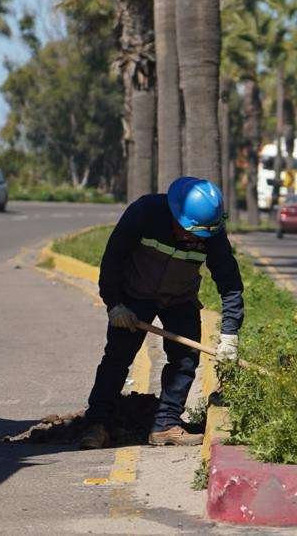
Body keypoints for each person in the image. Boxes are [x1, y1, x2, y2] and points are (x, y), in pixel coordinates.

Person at [79, 177, 244, 449]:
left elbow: (230, 283)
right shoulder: (145, 213)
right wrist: (115, 304)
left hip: (180, 298)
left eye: (199, 235)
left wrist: (230, 334)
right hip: (134, 296)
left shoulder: (211, 232)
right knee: (117, 359)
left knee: (185, 361)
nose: (192, 239)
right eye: (189, 231)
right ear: (175, 213)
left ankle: (166, 424)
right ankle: (97, 424)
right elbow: (112, 259)